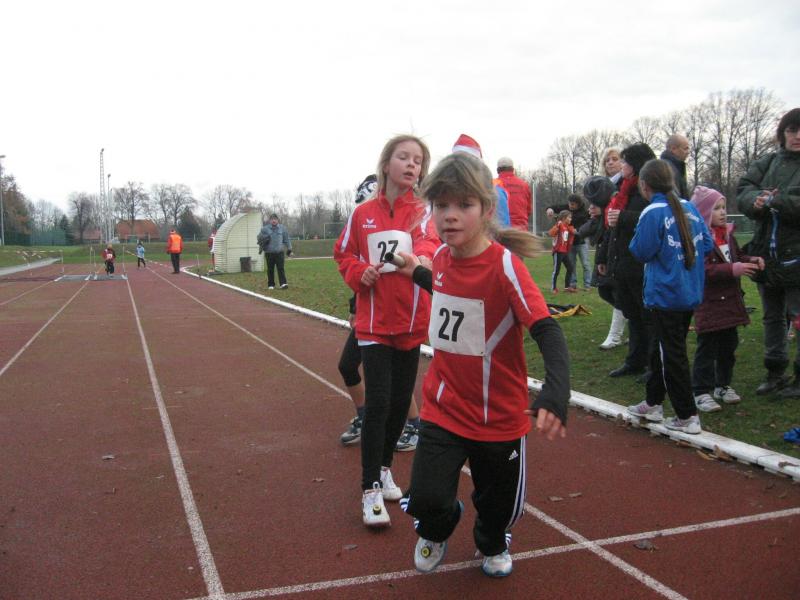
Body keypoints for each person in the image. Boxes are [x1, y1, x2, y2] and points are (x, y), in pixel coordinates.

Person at [389, 152, 569, 578]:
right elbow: (443, 287)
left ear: (486, 210)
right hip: (445, 407)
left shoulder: (506, 267)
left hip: (498, 416)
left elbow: (546, 329)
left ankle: (491, 541)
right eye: (441, 205)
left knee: (498, 506)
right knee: (427, 498)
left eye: (463, 205)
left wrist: (556, 391)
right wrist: (414, 270)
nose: (449, 216)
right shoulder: (443, 257)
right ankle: (439, 527)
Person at [334, 134, 440, 528]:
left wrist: (418, 258)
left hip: (411, 322)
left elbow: (431, 244)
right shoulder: (362, 214)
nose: (412, 165)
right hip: (373, 324)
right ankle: (369, 490)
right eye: (404, 157)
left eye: (418, 160)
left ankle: (383, 469)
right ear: (386, 164)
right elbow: (343, 253)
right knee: (378, 403)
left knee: (399, 405)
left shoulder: (423, 212)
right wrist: (360, 272)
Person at [627, 159, 713, 434]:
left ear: (644, 185)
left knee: (672, 354)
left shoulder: (652, 211)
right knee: (660, 347)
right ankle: (653, 402)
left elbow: (640, 250)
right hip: (688, 289)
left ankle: (687, 415)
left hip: (666, 294)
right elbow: (707, 243)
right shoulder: (690, 208)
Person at [338, 174, 422, 452]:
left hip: (396, 312)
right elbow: (357, 264)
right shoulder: (363, 219)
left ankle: (414, 424)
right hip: (369, 311)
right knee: (348, 365)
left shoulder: (407, 218)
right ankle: (367, 417)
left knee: (394, 375)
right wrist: (354, 307)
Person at [736, 108, 800, 397]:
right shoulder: (768, 162)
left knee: (798, 317)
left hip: (796, 256)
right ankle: (775, 371)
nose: (797, 136)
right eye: (791, 130)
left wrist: (777, 201)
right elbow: (744, 189)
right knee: (772, 317)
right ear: (782, 133)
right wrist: (757, 201)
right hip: (766, 255)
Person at [690, 186, 764, 412]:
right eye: (716, 208)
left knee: (728, 347)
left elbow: (737, 256)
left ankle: (722, 384)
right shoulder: (698, 239)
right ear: (704, 212)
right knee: (707, 349)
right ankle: (701, 391)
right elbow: (702, 270)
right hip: (709, 303)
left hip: (730, 302)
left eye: (723, 207)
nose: (723, 212)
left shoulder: (727, 236)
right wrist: (733, 269)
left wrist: (751, 260)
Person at [602, 143, 657, 379]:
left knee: (647, 317)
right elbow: (612, 228)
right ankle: (635, 360)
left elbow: (653, 217)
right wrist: (605, 257)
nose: (621, 165)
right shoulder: (623, 190)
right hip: (623, 261)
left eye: (624, 161)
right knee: (632, 314)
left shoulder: (648, 190)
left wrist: (623, 217)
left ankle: (653, 365)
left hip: (640, 263)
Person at [597, 147, 627, 349]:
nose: (610, 162)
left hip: (621, 242)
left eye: (615, 159)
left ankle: (615, 335)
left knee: (618, 289)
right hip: (607, 240)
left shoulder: (625, 185)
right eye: (607, 160)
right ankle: (633, 321)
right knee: (605, 289)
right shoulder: (603, 187)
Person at [451, 134, 510, 227]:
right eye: (441, 206)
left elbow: (502, 228)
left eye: (466, 205)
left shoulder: (495, 193)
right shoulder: (441, 191)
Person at [546, 194, 591, 290]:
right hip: (568, 245)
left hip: (581, 242)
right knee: (571, 265)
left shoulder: (584, 213)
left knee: (585, 264)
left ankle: (588, 284)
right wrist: (550, 209)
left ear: (578, 204)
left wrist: (578, 231)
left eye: (573, 204)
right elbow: (555, 208)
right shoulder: (566, 208)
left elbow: (588, 225)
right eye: (569, 203)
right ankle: (572, 284)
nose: (570, 206)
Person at [495, 157, 532, 231]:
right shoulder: (524, 185)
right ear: (512, 169)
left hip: (500, 230)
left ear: (498, 170)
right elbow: (528, 210)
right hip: (521, 230)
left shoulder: (493, 184)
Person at [260, 214, 293, 290]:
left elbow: (287, 239)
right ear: (270, 220)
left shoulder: (283, 228)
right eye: (272, 219)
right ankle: (271, 285)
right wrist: (262, 246)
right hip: (269, 253)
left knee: (281, 268)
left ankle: (283, 284)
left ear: (278, 220)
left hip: (279, 252)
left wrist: (289, 248)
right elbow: (260, 239)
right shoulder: (264, 229)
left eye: (275, 219)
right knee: (270, 269)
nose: (274, 220)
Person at [548, 210, 577, 293]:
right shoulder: (559, 225)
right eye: (569, 217)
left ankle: (567, 287)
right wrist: (557, 225)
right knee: (556, 270)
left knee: (570, 268)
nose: (571, 219)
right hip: (558, 252)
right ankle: (553, 288)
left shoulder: (567, 227)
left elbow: (571, 233)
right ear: (564, 218)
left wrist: (573, 231)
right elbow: (551, 233)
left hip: (565, 252)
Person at [661, 134, 691, 200]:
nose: (688, 152)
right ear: (673, 149)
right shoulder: (668, 169)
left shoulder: (677, 166)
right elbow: (674, 199)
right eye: (685, 149)